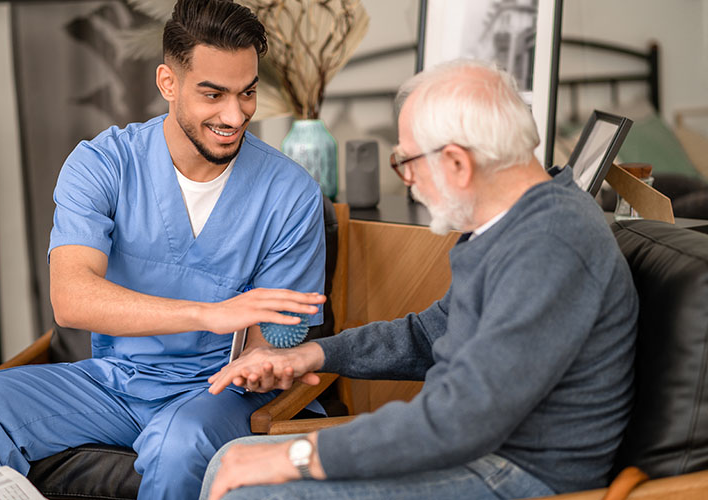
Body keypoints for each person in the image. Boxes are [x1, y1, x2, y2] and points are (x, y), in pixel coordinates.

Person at [202, 59, 639, 500]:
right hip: (476, 450)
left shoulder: (550, 245)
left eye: (406, 161)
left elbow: (461, 418)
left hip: (520, 475)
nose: (408, 182)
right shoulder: (509, 225)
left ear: (456, 163)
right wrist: (312, 354)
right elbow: (430, 334)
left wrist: (295, 456)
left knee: (254, 490)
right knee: (231, 457)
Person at [0, 1, 327, 498]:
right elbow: (71, 299)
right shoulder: (102, 164)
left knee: (178, 439)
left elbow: (275, 337)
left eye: (247, 92)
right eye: (213, 94)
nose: (235, 115)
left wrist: (264, 360)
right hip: (118, 383)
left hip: (219, 392)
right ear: (168, 83)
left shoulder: (290, 193)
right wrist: (208, 314)